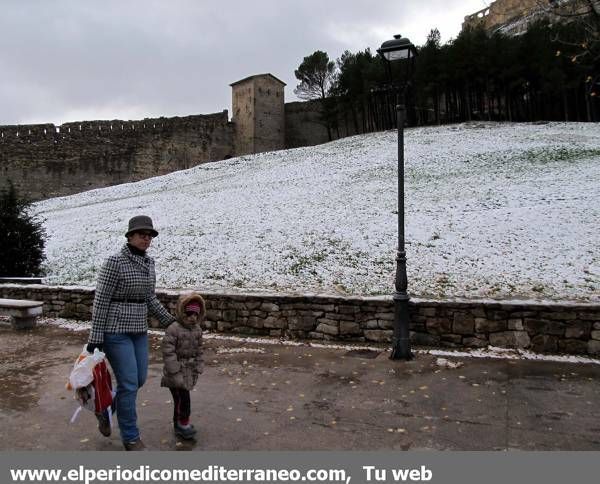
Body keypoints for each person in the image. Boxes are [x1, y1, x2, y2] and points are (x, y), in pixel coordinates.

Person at [86, 215, 175, 451]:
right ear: (130, 236)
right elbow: (101, 300)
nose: (146, 239)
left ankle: (105, 411)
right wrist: (96, 337)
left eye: (149, 236)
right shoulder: (114, 262)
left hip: (138, 329)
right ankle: (131, 437)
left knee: (139, 380)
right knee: (128, 384)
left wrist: (170, 323)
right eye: (142, 235)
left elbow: (149, 298)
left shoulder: (149, 264)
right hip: (115, 330)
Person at [161, 293, 205, 440]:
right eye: (189, 314)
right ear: (182, 312)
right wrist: (174, 370)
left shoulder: (197, 330)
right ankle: (183, 423)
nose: (192, 317)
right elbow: (168, 351)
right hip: (175, 371)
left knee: (180, 399)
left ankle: (178, 424)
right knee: (183, 399)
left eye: (195, 314)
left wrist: (199, 364)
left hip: (188, 370)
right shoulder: (174, 329)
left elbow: (199, 349)